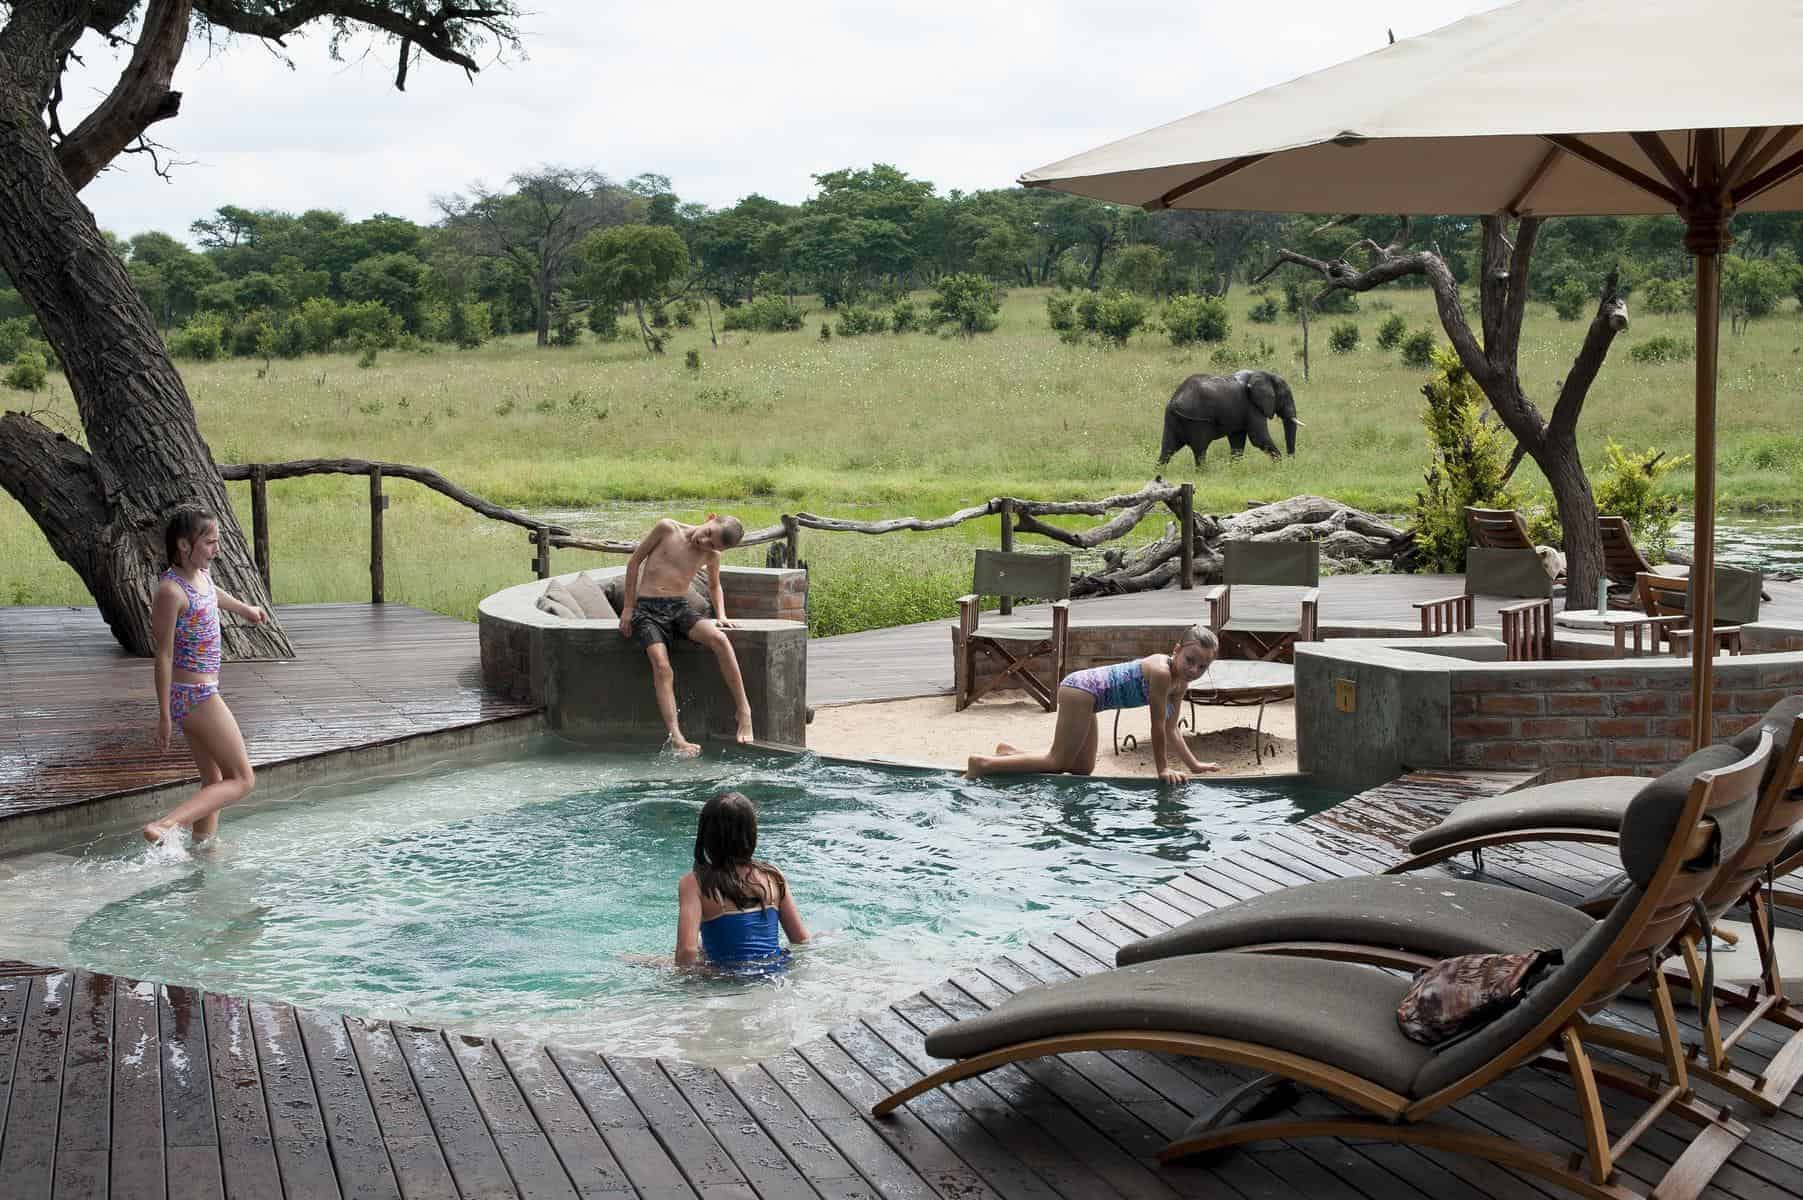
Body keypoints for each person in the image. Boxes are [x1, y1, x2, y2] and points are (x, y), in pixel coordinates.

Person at [144, 508, 268, 845]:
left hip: (199, 692)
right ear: (185, 545)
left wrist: (245, 609)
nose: (217, 549)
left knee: (213, 780)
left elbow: (213, 595)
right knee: (242, 779)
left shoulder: (201, 575)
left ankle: (203, 851)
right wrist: (164, 716)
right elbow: (163, 655)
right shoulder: (171, 591)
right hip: (195, 696)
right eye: (210, 543)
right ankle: (165, 825)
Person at [966, 625, 1223, 784]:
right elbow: (1156, 726)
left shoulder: (1180, 683)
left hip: (1092, 700)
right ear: (1176, 650)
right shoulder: (1162, 673)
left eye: (1202, 666)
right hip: (1081, 690)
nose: (1194, 669)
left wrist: (1194, 765)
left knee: (1082, 768)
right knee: (1057, 761)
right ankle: (984, 765)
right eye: (1190, 660)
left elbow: (1171, 729)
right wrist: (1163, 769)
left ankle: (1009, 753)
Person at [618, 514, 755, 754]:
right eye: (709, 534)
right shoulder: (667, 528)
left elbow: (714, 585)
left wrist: (721, 616)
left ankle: (744, 710)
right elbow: (634, 562)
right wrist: (628, 608)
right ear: (710, 519)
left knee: (720, 640)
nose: (705, 542)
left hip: (678, 607)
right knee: (661, 665)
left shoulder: (711, 555)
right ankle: (677, 736)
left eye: (713, 545)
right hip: (647, 610)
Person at [675, 791, 810, 969]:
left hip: (726, 979)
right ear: (752, 834)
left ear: (706, 835)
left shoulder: (695, 883)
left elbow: (686, 951)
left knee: (638, 960)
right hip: (775, 971)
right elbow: (801, 940)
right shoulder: (772, 876)